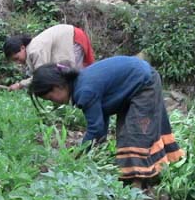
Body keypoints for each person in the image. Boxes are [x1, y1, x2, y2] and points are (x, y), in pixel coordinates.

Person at [28, 56, 184, 185]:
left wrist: (79, 153)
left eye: (50, 97)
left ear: (58, 86)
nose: (53, 102)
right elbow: (100, 124)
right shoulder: (81, 85)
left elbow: (95, 129)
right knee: (125, 133)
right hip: (133, 84)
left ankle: (139, 182)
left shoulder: (85, 91)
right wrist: (92, 151)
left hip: (143, 83)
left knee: (136, 134)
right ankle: (139, 174)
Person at [0, 24, 95, 91]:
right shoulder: (32, 49)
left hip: (73, 38)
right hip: (69, 36)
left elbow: (41, 76)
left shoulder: (34, 51)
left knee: (74, 78)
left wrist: (20, 85)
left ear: (22, 48)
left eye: (17, 58)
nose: (18, 62)